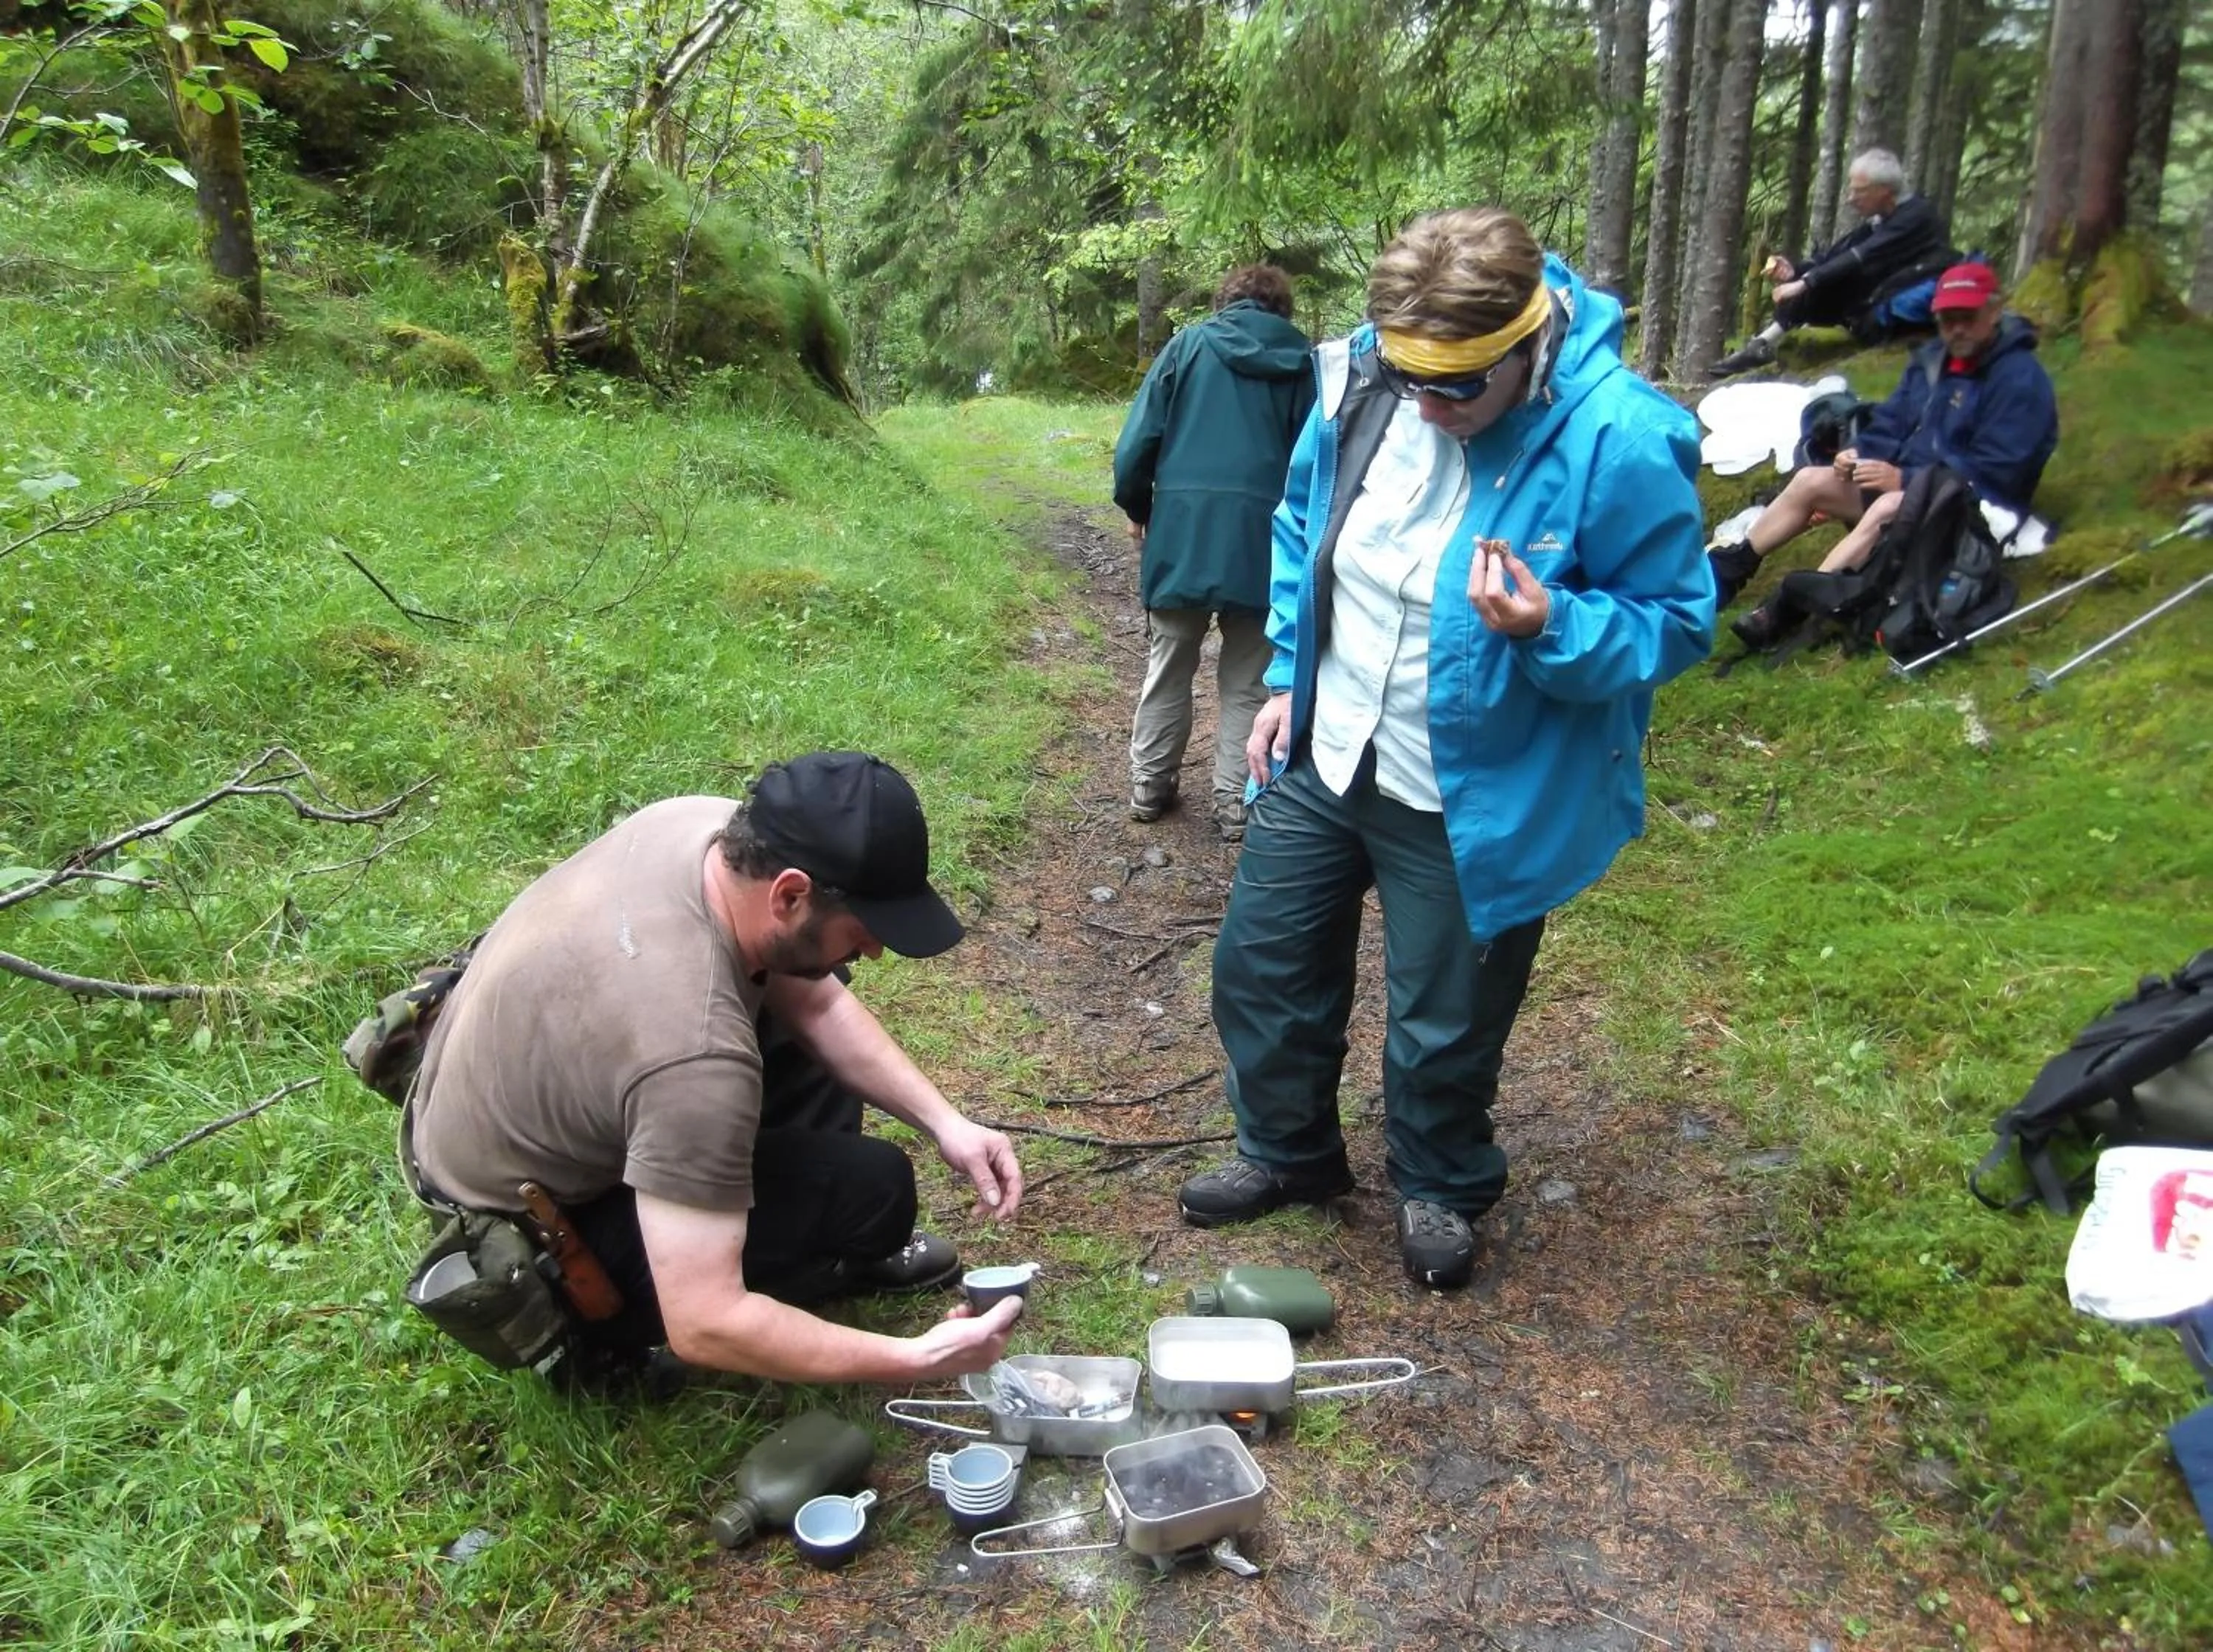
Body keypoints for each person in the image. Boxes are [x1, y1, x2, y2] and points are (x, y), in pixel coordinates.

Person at [1174, 208, 1714, 1289]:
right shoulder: (1365, 381)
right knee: (1263, 964)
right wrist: (1287, 671)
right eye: (1409, 378)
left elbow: (1677, 618)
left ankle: (1440, 1180)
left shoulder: (1621, 436)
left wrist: (1551, 627)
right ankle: (1287, 1153)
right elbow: (1303, 523)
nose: (1427, 405)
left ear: (1528, 348)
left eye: (1457, 390)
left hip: (1477, 784)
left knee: (1447, 1012)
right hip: (1331, 748)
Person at [405, 752, 1026, 1386]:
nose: (874, 950)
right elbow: (704, 1321)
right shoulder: (693, 1052)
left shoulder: (701, 829)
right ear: (789, 892)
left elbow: (813, 1001)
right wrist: (918, 1358)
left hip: (496, 1122)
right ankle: (611, 1336)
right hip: (532, 1244)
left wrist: (945, 1123)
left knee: (805, 974)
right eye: (865, 929)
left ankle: (767, 1217)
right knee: (876, 1193)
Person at [1711, 261, 2060, 633]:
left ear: (1994, 310)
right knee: (1811, 480)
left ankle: (1789, 608)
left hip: (1974, 510)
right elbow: (1891, 422)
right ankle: (1729, 572)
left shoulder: (2019, 379)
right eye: (1947, 318)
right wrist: (1859, 453)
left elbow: (2000, 472)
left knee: (1889, 505)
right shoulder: (1932, 362)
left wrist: (1905, 481)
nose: (1956, 328)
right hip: (1912, 487)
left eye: (1967, 316)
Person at [1114, 264, 1316, 840]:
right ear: (1282, 310)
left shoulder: (1189, 346)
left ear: (1225, 302)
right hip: (1268, 545)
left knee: (1169, 664)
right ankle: (1237, 801)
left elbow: (1137, 444)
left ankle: (1149, 786)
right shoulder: (1306, 364)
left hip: (1183, 534)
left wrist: (1138, 508)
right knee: (1251, 680)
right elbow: (1318, 464)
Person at [1709, 149, 1956, 378]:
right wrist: (1798, 270)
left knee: (1822, 281)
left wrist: (1805, 283)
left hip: (1892, 308)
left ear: (1884, 191)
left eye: (1859, 191)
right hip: (1875, 297)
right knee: (1814, 277)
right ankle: (1761, 345)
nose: (1851, 198)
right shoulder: (1884, 216)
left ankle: (1763, 345)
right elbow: (1840, 253)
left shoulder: (1916, 217)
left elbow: (1862, 255)